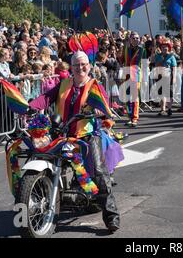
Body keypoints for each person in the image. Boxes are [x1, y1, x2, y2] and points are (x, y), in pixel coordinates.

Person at [29, 51, 120, 233]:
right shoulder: (63, 84)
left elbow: (104, 105)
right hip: (62, 132)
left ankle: (111, 216)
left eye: (84, 64)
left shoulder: (95, 85)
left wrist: (102, 112)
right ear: (71, 67)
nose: (80, 68)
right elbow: (47, 98)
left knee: (99, 173)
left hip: (86, 135)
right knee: (37, 154)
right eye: (77, 65)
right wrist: (29, 106)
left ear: (89, 66)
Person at [122, 32, 147, 127]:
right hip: (127, 74)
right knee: (127, 98)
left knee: (134, 97)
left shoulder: (142, 50)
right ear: (130, 40)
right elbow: (122, 60)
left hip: (136, 75)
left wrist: (144, 77)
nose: (136, 40)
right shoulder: (126, 49)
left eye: (137, 38)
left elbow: (144, 63)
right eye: (133, 38)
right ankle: (130, 117)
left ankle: (135, 118)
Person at [154, 39, 177, 116]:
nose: (165, 48)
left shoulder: (171, 56)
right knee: (161, 93)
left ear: (169, 48)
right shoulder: (158, 56)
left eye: (166, 47)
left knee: (169, 93)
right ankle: (162, 109)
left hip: (168, 76)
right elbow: (155, 65)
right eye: (163, 47)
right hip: (160, 76)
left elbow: (174, 68)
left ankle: (169, 109)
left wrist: (174, 78)